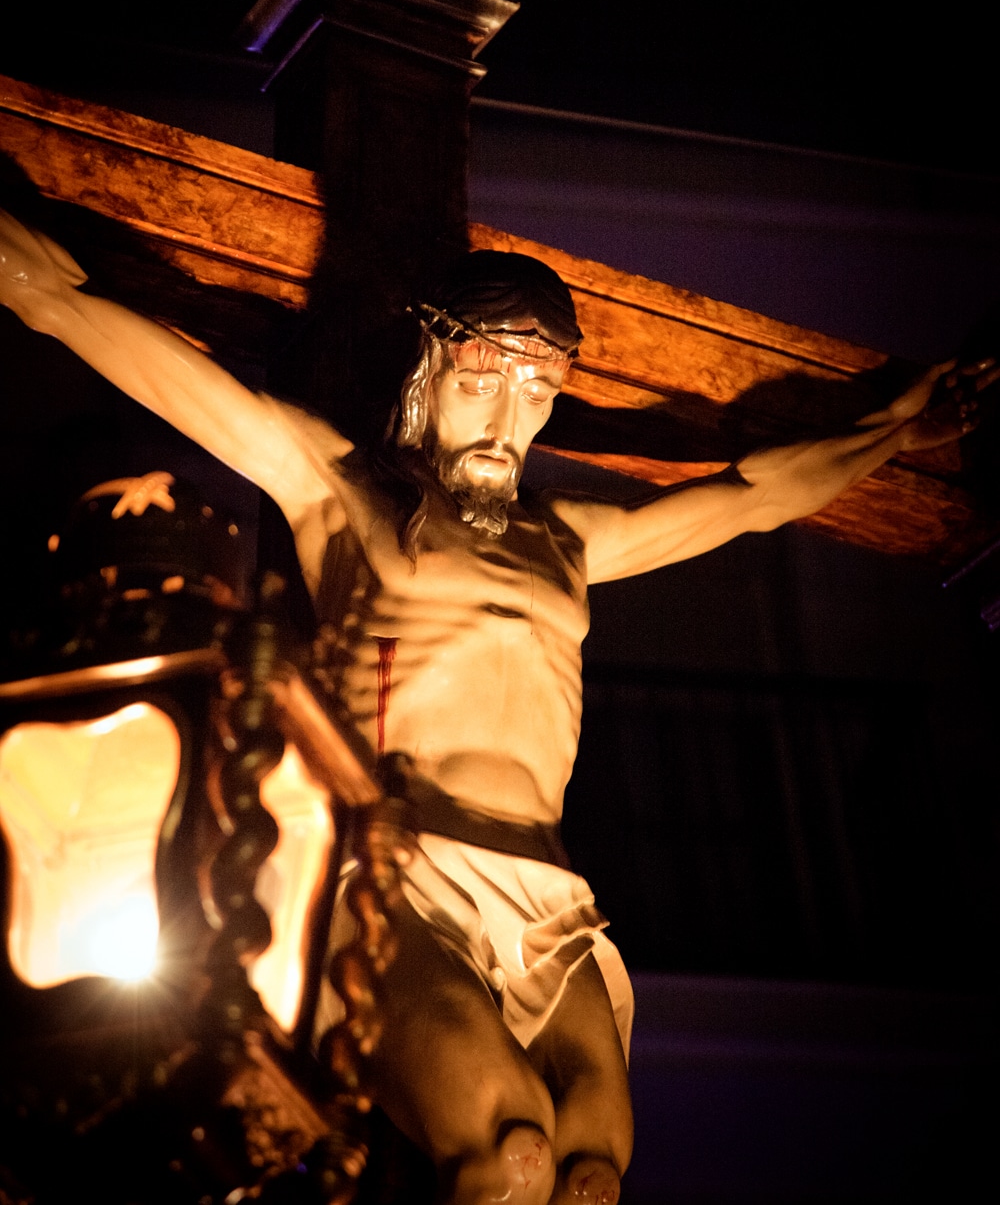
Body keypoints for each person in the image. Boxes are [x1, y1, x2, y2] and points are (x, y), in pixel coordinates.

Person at [1, 207, 994, 1204]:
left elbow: (754, 496)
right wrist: (36, 286)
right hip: (397, 871)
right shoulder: (343, 495)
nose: (505, 422)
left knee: (593, 1177)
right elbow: (116, 333)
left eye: (538, 392)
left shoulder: (569, 543)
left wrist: (900, 425)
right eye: (481, 382)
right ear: (427, 376)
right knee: (511, 1154)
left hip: (550, 899)